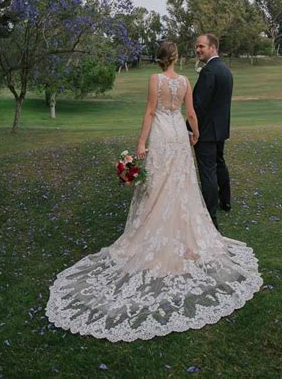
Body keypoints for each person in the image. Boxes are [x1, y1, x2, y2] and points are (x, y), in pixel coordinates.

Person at [46, 41, 262, 342]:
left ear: (159, 60)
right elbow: (191, 114)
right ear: (175, 58)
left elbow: (149, 112)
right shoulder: (185, 81)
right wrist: (196, 133)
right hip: (178, 135)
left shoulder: (154, 80)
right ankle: (184, 231)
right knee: (182, 184)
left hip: (161, 135)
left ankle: (150, 228)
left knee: (156, 185)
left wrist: (141, 143)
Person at [188, 33, 233, 229]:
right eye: (197, 47)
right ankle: (226, 201)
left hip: (206, 132)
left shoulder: (209, 72)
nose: (198, 50)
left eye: (201, 47)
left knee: (207, 172)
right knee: (219, 163)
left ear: (212, 47)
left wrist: (190, 129)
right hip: (220, 130)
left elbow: (198, 105)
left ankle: (211, 216)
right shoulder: (225, 70)